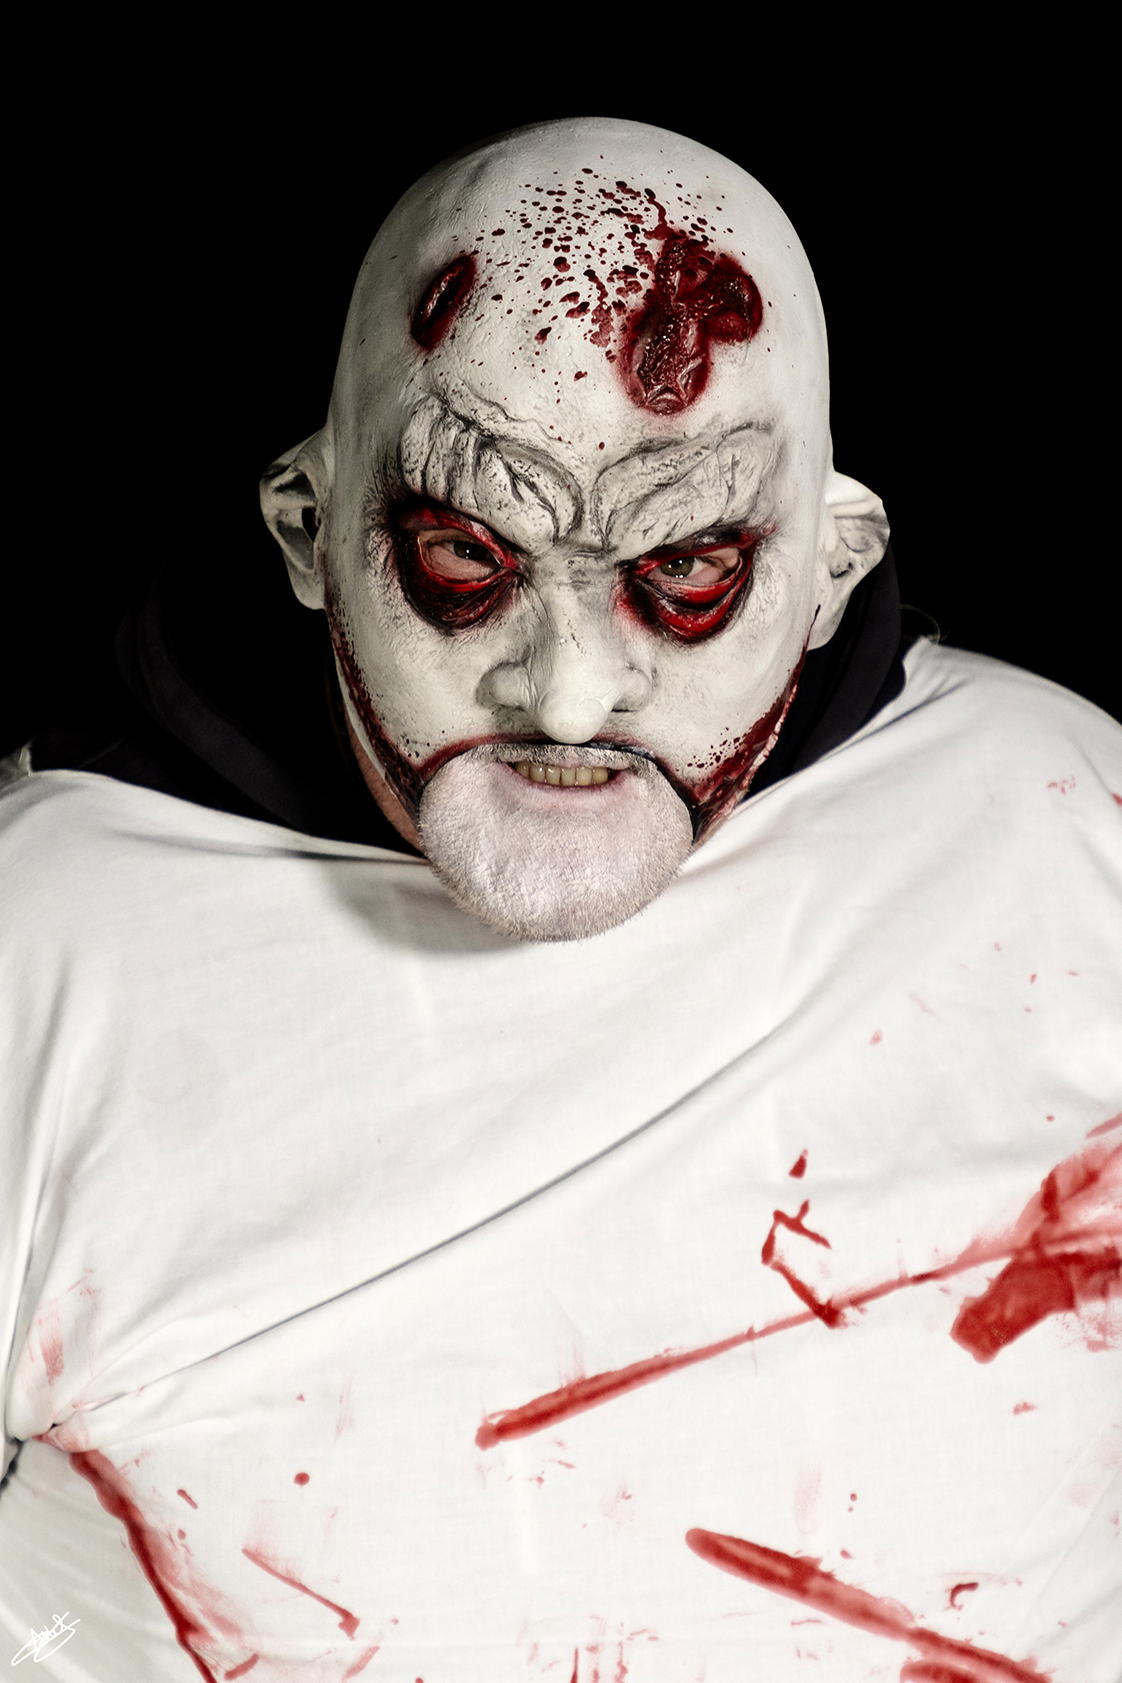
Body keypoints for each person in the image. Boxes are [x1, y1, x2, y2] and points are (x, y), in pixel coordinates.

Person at [1, 117, 1118, 1683]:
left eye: (687, 574)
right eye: (465, 560)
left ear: (829, 565)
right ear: (308, 528)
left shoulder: (1072, 825)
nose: (572, 695)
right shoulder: (43, 940)